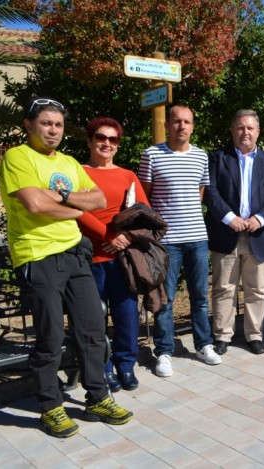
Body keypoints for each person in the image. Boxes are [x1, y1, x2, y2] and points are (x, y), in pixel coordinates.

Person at [0, 98, 133, 438]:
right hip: (38, 256)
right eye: (45, 123)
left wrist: (58, 199)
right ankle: (50, 405)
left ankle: (98, 397)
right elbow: (34, 203)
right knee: (51, 335)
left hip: (75, 254)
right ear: (29, 125)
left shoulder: (70, 161)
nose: (53, 130)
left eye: (57, 124)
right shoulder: (18, 157)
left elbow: (98, 200)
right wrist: (74, 203)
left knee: (92, 330)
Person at [138, 104, 220, 377]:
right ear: (167, 125)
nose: (181, 126)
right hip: (166, 242)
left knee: (200, 297)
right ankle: (163, 351)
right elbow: (144, 198)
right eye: (176, 121)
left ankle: (203, 345)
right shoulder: (152, 155)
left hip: (197, 238)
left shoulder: (200, 156)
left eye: (187, 121)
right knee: (165, 299)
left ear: (192, 126)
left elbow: (199, 192)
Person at [203, 110, 264, 356]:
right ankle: (222, 335)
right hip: (226, 232)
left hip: (259, 234)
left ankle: (254, 335)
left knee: (258, 289)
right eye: (240, 128)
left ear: (258, 132)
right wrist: (230, 218)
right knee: (224, 288)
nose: (245, 133)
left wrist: (258, 219)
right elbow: (210, 191)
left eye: (250, 128)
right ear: (232, 131)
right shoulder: (218, 159)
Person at [78, 117, 149, 392]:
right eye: (101, 137)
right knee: (92, 319)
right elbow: (77, 212)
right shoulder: (77, 172)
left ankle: (125, 365)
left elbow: (144, 213)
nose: (106, 143)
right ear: (90, 140)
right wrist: (108, 236)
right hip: (88, 259)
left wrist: (125, 239)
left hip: (122, 259)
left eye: (113, 139)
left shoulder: (127, 176)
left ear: (118, 145)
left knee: (127, 314)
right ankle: (103, 369)